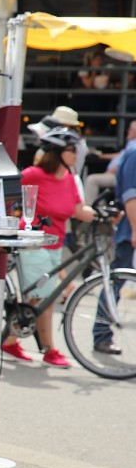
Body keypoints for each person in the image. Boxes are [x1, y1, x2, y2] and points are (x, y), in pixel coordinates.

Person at [1, 127, 95, 367]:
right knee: (40, 297)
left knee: (45, 299)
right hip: (34, 243)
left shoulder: (70, 180)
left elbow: (77, 210)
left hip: (56, 244)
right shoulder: (34, 174)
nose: (76, 154)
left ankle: (19, 341)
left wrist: (102, 214)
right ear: (57, 152)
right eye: (71, 149)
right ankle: (44, 347)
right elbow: (7, 191)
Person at [92, 136, 136, 355]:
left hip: (130, 231)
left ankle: (101, 334)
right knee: (115, 284)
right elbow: (131, 196)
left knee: (115, 283)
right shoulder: (135, 153)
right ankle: (101, 334)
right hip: (130, 233)